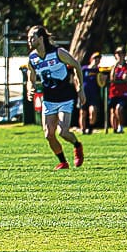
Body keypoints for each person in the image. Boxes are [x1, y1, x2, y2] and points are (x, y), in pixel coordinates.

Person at [25, 25, 86, 170]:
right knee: (48, 134)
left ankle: (77, 145)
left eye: (32, 37)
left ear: (40, 38)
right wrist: (30, 89)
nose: (29, 40)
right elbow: (30, 79)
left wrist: (80, 89)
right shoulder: (32, 58)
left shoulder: (58, 52)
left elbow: (76, 65)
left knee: (63, 132)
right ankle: (63, 162)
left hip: (65, 98)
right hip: (49, 100)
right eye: (28, 38)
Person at [107, 46, 127, 134]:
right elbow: (112, 78)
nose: (119, 55)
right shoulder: (114, 67)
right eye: (117, 53)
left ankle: (121, 126)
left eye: (121, 53)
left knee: (119, 109)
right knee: (113, 111)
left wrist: (120, 79)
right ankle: (114, 128)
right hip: (113, 92)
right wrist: (115, 66)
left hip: (123, 92)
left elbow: (126, 78)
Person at [79, 52, 103, 134]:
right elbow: (76, 78)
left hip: (94, 95)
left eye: (98, 59)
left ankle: (90, 128)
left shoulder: (99, 71)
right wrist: (78, 89)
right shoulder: (84, 69)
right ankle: (82, 129)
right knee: (82, 113)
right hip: (84, 94)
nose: (97, 60)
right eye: (95, 58)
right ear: (91, 59)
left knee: (93, 111)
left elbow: (102, 82)